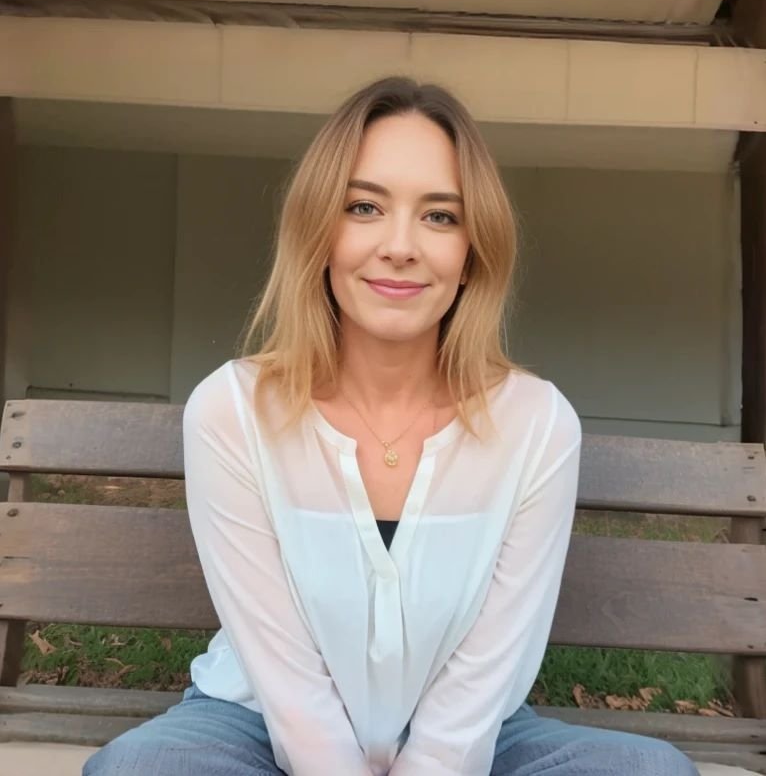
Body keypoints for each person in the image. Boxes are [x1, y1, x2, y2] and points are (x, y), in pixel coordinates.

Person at [84, 77, 697, 776]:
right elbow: (285, 677)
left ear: (472, 251)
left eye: (439, 216)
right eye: (364, 207)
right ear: (319, 231)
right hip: (257, 722)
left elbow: (485, 671)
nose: (400, 246)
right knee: (142, 768)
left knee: (651, 771)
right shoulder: (232, 409)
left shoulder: (536, 423)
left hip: (475, 736)